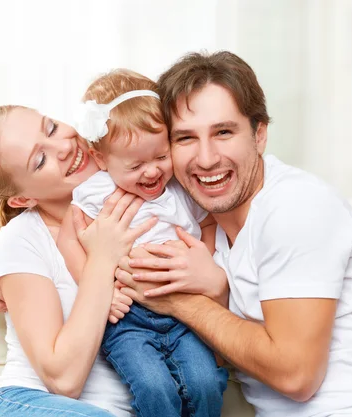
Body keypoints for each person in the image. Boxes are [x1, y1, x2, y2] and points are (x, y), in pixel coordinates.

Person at [110, 51, 352, 417]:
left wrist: (182, 301)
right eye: (185, 138)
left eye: (224, 132)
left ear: (259, 135)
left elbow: (297, 375)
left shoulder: (296, 206)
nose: (206, 158)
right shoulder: (191, 228)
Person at [0, 105, 158, 416]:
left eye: (51, 127)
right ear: (23, 199)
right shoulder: (22, 238)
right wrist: (101, 261)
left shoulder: (150, 192)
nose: (66, 146)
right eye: (40, 160)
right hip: (33, 404)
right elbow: (64, 380)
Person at [59, 69, 228, 417]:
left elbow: (209, 220)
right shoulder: (97, 192)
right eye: (135, 164)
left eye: (160, 157)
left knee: (205, 382)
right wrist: (99, 289)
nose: (152, 172)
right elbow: (68, 240)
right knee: (154, 387)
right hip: (128, 319)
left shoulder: (180, 190)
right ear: (102, 159)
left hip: (186, 312)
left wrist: (206, 259)